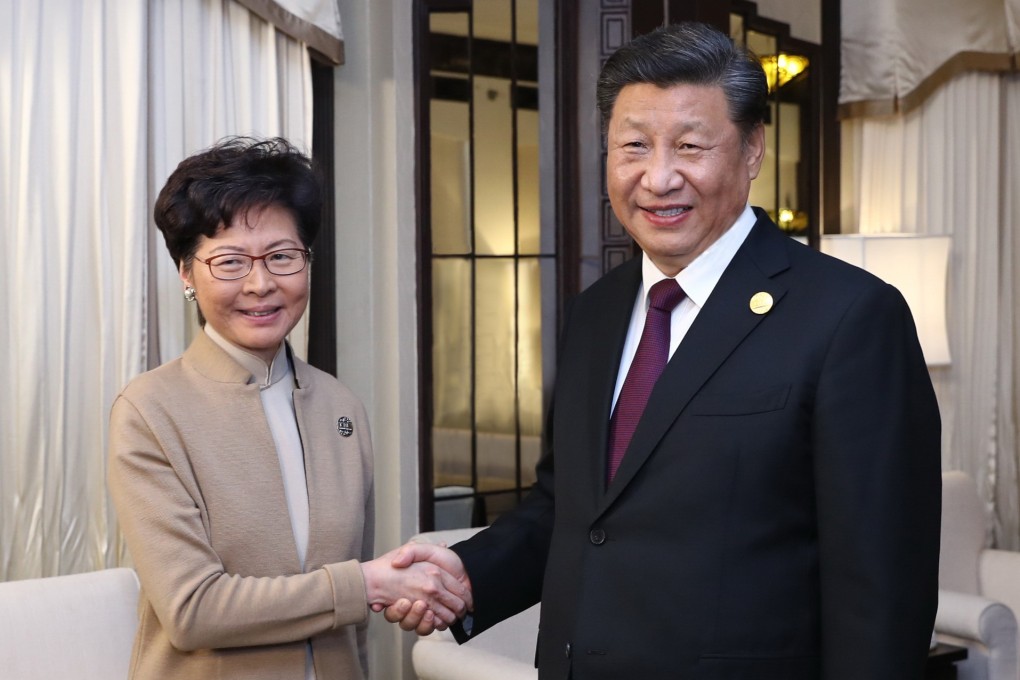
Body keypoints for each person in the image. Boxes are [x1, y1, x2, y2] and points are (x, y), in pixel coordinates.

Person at [390, 21, 942, 679]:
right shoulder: (594, 314)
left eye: (689, 145)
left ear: (752, 150)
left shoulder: (851, 317)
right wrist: (466, 571)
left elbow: (881, 588)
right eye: (634, 146)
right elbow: (576, 508)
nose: (658, 177)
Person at [107, 137, 470, 680]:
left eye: (282, 256)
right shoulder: (150, 411)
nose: (261, 284)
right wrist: (369, 583)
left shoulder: (339, 407)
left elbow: (350, 625)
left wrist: (377, 590)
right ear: (186, 273)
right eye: (230, 261)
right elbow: (192, 611)